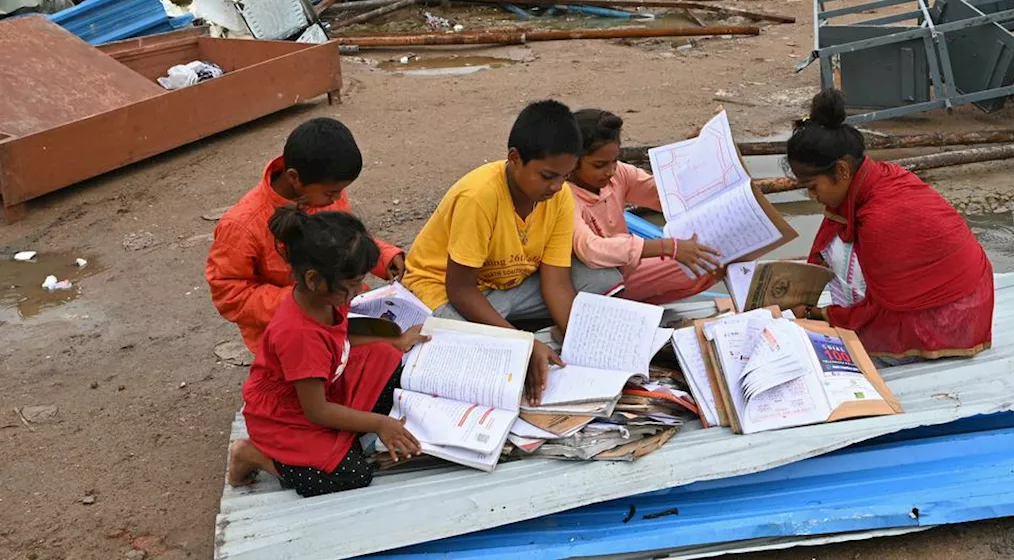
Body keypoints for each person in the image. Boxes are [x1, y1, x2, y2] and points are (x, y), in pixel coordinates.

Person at [400, 100, 622, 403]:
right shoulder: (479, 197)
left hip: (510, 285)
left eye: (565, 176)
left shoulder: (558, 198)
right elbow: (461, 290)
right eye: (547, 176)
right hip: (446, 291)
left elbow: (556, 281)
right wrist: (521, 343)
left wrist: (581, 347)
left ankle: (520, 333)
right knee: (466, 355)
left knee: (601, 280)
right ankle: (514, 334)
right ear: (515, 159)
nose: (557, 187)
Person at [227, 207, 427, 496]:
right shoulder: (299, 335)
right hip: (289, 417)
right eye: (351, 285)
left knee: (388, 356)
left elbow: (341, 337)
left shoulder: (326, 299)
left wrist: (395, 342)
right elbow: (316, 411)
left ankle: (347, 433)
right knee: (352, 474)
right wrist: (379, 423)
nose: (358, 291)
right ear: (314, 280)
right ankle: (253, 454)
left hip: (326, 382)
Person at [784, 89, 994, 361]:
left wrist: (821, 314)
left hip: (958, 311)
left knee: (859, 342)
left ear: (842, 171)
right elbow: (827, 234)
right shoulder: (873, 177)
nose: (812, 197)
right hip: (964, 288)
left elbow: (876, 309)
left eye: (812, 187)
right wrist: (797, 287)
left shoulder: (880, 217)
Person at [206, 118, 405, 354]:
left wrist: (384, 257)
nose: (338, 197)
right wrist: (305, 299)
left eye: (340, 190)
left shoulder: (323, 193)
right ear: (294, 178)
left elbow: (347, 241)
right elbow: (231, 295)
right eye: (331, 192)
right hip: (288, 336)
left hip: (342, 310)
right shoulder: (242, 225)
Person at [568, 109, 722, 304]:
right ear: (571, 162)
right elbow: (591, 250)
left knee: (717, 256)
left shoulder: (618, 174)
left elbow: (665, 196)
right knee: (706, 264)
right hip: (598, 280)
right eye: (599, 165)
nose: (610, 171)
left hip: (627, 265)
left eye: (614, 161)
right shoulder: (564, 196)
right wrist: (668, 247)